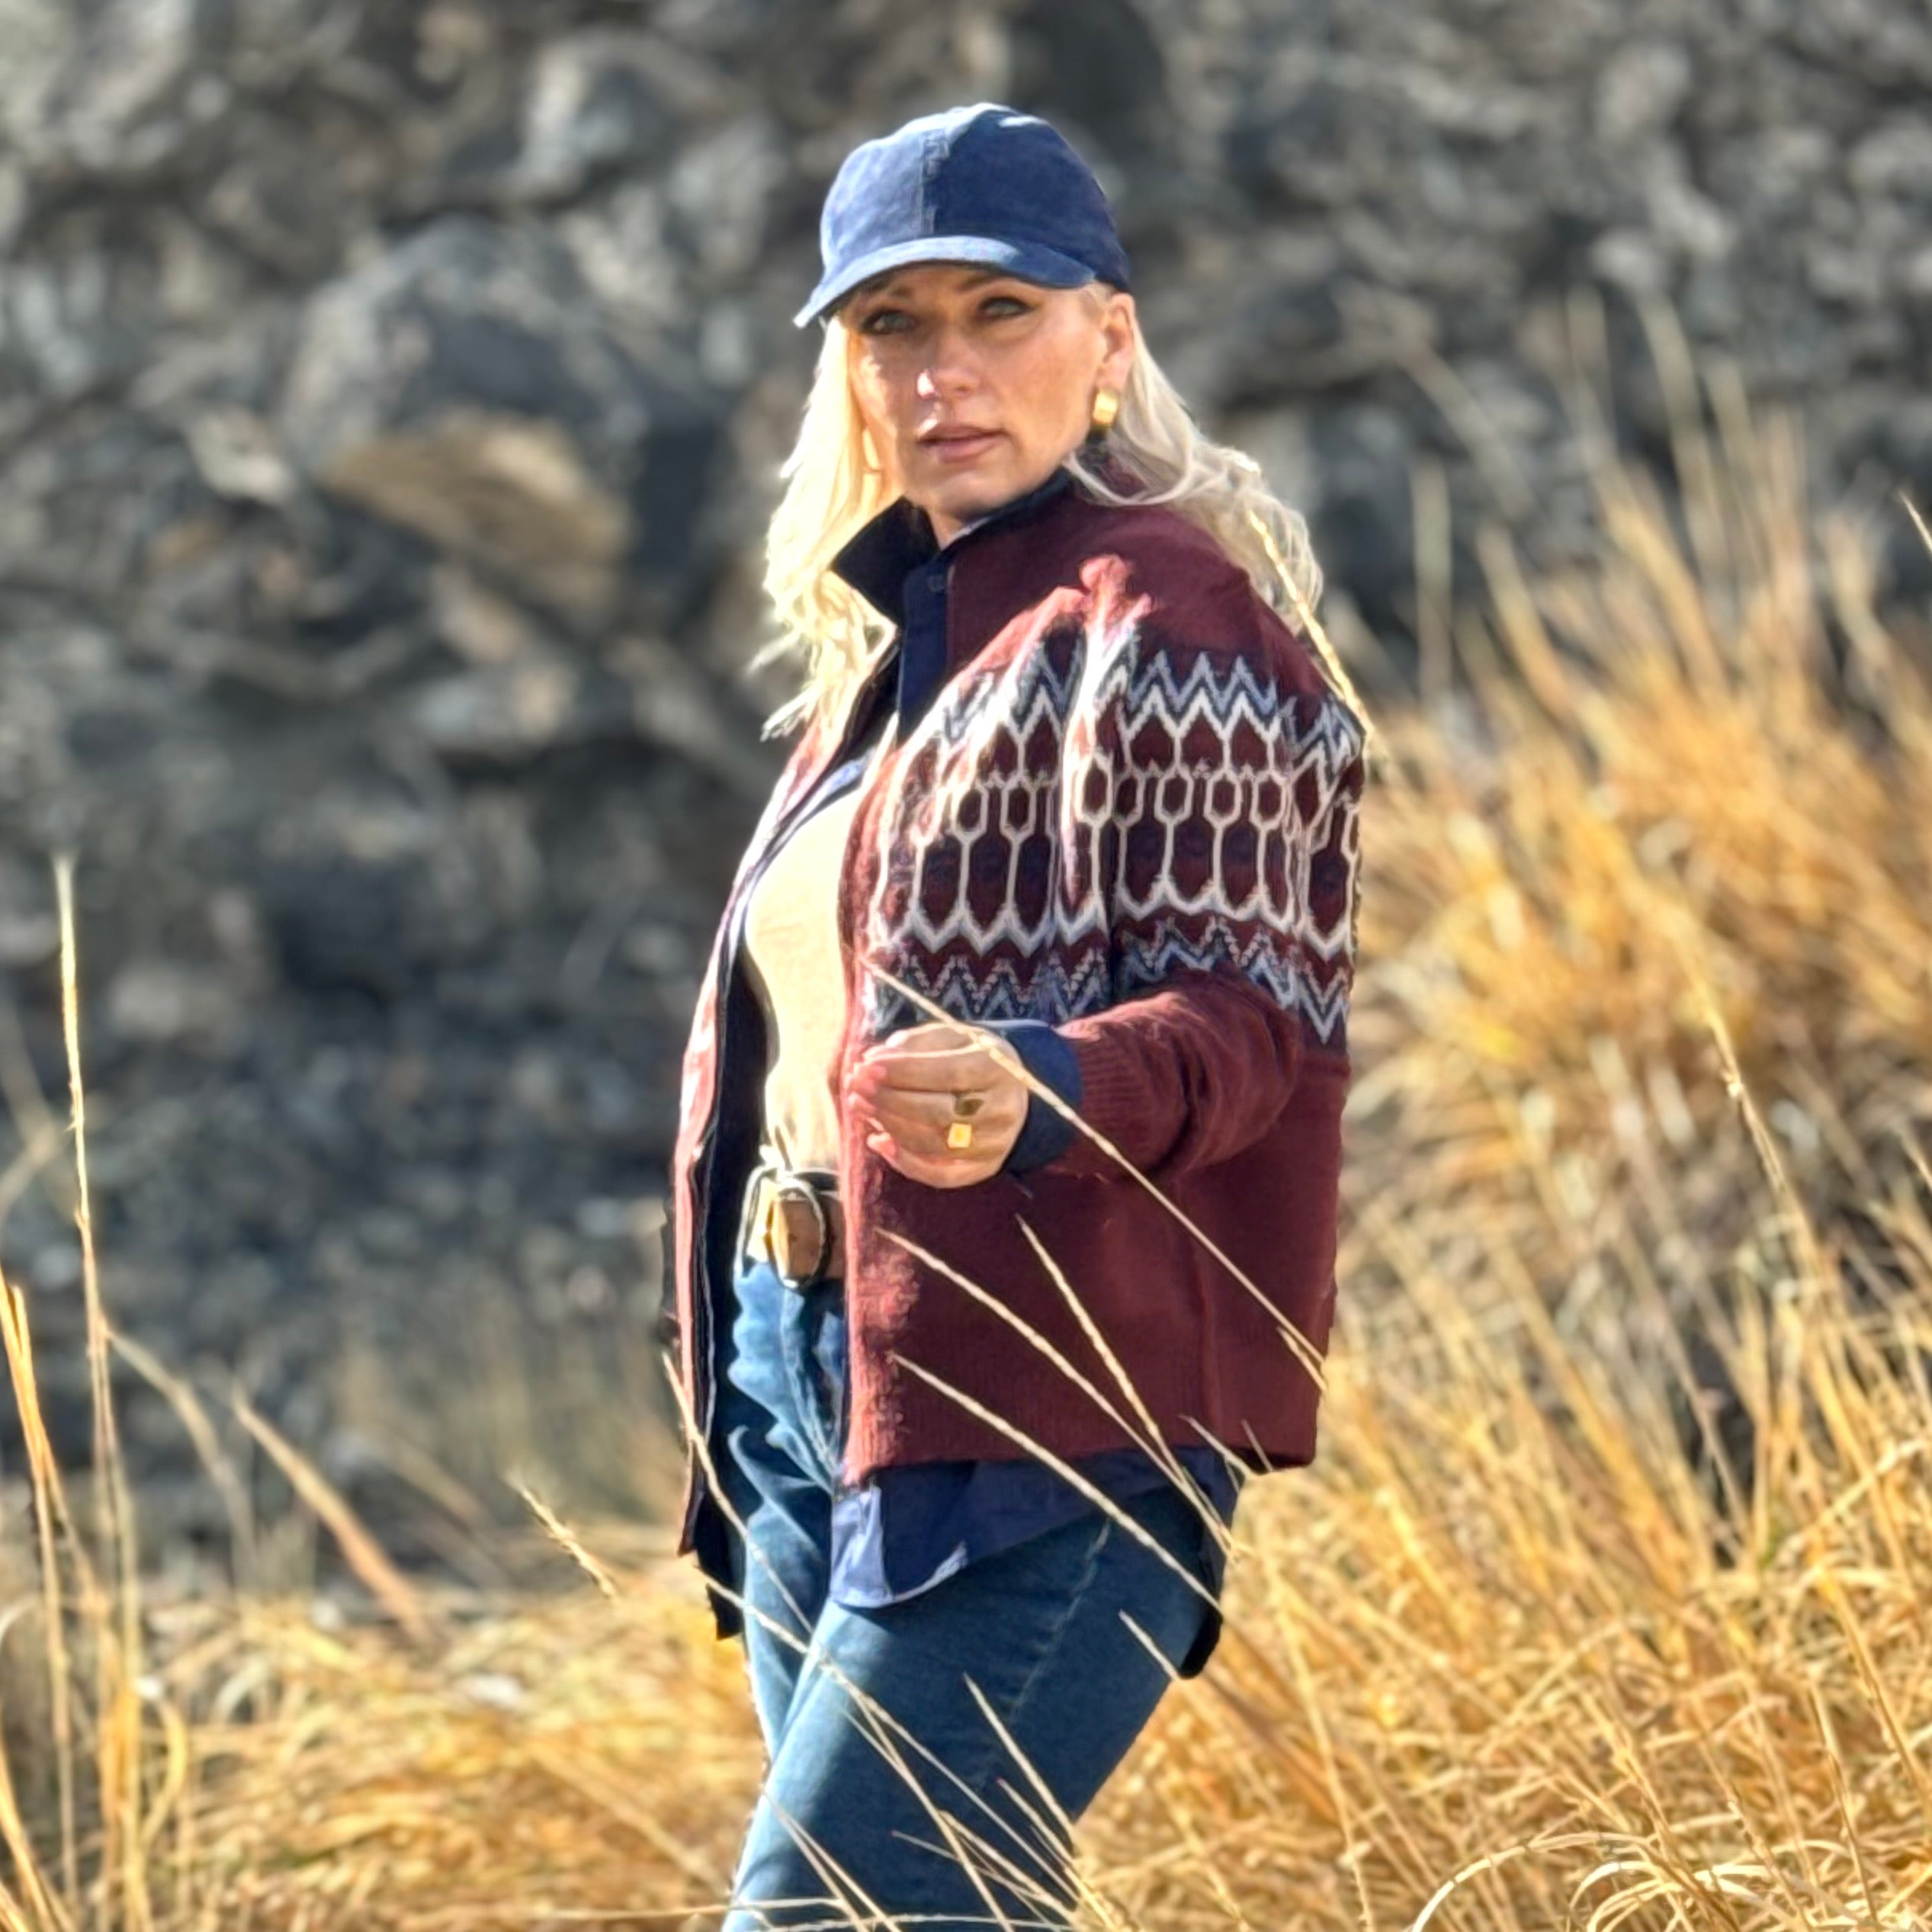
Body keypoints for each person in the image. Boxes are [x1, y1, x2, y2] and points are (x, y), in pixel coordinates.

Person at [661, 101, 1370, 1930]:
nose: (942, 371)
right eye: (892, 327)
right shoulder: (898, 659)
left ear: (1108, 337)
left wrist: (1044, 1081)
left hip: (1050, 1405)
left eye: (1000, 311)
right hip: (801, 1374)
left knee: (820, 1911)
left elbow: (1248, 1023)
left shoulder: (1174, 618)